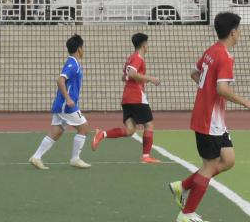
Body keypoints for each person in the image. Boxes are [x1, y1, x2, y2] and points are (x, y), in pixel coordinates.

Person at [169, 12, 250, 222]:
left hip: (213, 120)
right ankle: (187, 212)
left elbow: (194, 73)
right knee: (209, 166)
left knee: (228, 160)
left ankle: (183, 185)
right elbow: (222, 89)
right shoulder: (225, 57)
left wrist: (207, 88)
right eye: (239, 29)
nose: (240, 33)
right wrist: (245, 102)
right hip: (209, 121)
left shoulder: (211, 50)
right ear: (233, 32)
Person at [91, 32, 162, 163]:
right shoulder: (138, 58)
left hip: (127, 98)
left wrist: (141, 79)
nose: (148, 46)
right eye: (147, 44)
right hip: (136, 97)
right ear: (144, 45)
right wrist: (150, 78)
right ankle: (146, 156)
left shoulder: (130, 58)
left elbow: (124, 77)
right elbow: (132, 74)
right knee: (149, 124)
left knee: (130, 130)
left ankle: (102, 134)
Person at [29, 35, 93, 170]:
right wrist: (68, 98)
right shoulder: (73, 64)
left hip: (61, 104)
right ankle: (75, 159)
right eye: (82, 48)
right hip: (66, 106)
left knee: (56, 132)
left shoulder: (72, 62)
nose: (83, 50)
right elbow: (60, 80)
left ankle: (36, 157)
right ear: (79, 49)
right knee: (84, 128)